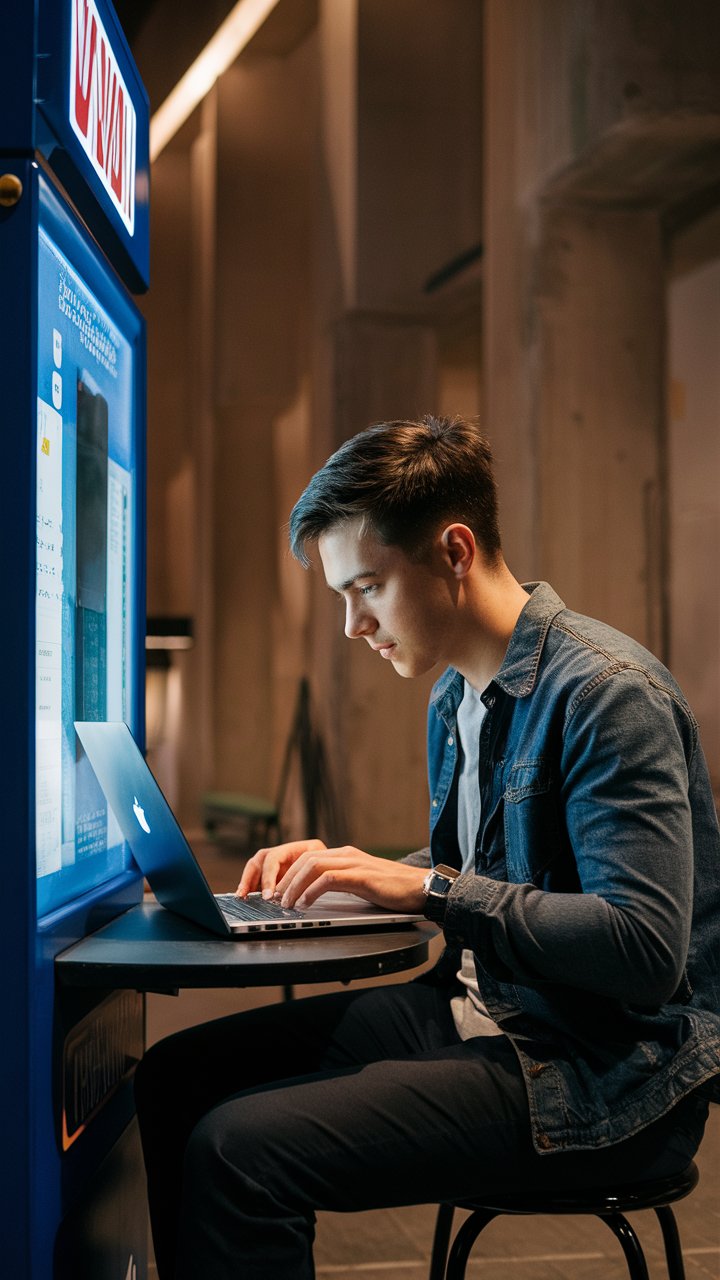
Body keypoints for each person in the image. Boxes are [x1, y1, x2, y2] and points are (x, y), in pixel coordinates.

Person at [134, 415, 720, 1280]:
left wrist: (429, 889)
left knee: (237, 1153)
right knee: (177, 1076)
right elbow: (494, 874)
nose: (351, 625)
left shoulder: (607, 695)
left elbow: (641, 949)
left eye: (365, 587)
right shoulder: (454, 699)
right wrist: (347, 875)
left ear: (454, 551)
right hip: (486, 1011)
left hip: (600, 1072)